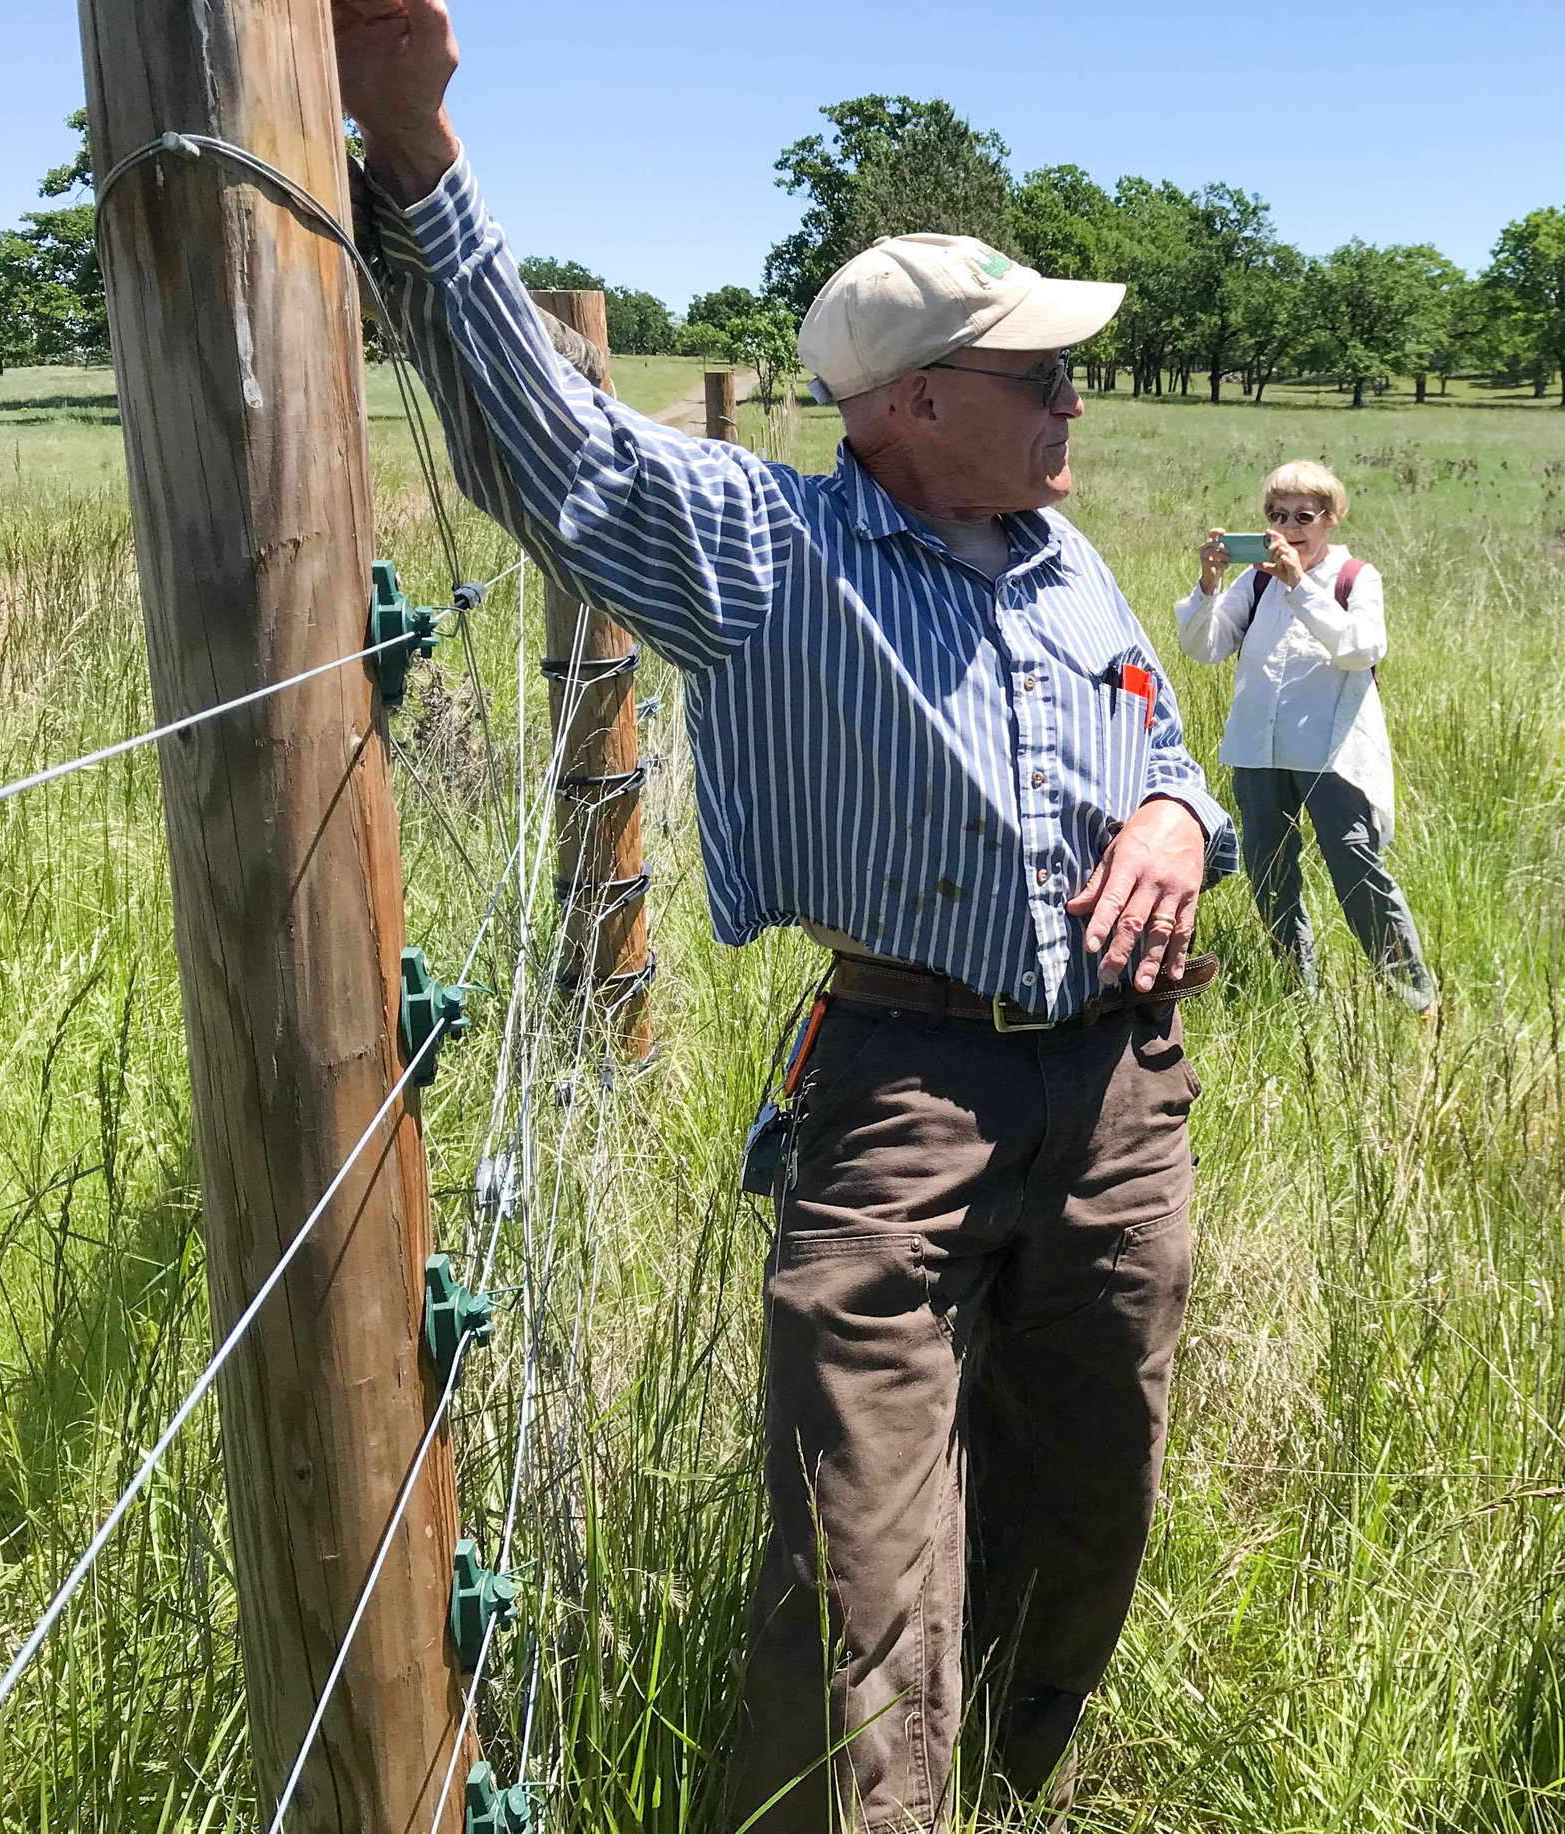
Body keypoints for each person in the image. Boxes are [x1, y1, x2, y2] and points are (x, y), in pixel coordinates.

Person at [333, 5, 1240, 1827]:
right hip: (904, 1093)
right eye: (1033, 372)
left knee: (1087, 1510)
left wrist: (1177, 819)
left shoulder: (1073, 565)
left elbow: (1170, 752)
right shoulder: (773, 555)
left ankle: (988, 1788)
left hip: (1124, 1105)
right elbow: (563, 454)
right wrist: (420, 154)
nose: (1075, 398)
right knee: (862, 1571)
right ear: (905, 405)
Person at [1176, 461, 1436, 1009]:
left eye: (1303, 515)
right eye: (1276, 515)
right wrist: (1208, 584)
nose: (1289, 526)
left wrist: (1301, 586)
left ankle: (1412, 998)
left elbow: (1360, 648)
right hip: (1257, 749)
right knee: (1270, 872)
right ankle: (1299, 991)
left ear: (1331, 519)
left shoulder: (1355, 577)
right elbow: (1204, 648)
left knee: (1357, 867)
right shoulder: (1257, 579)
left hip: (1331, 752)